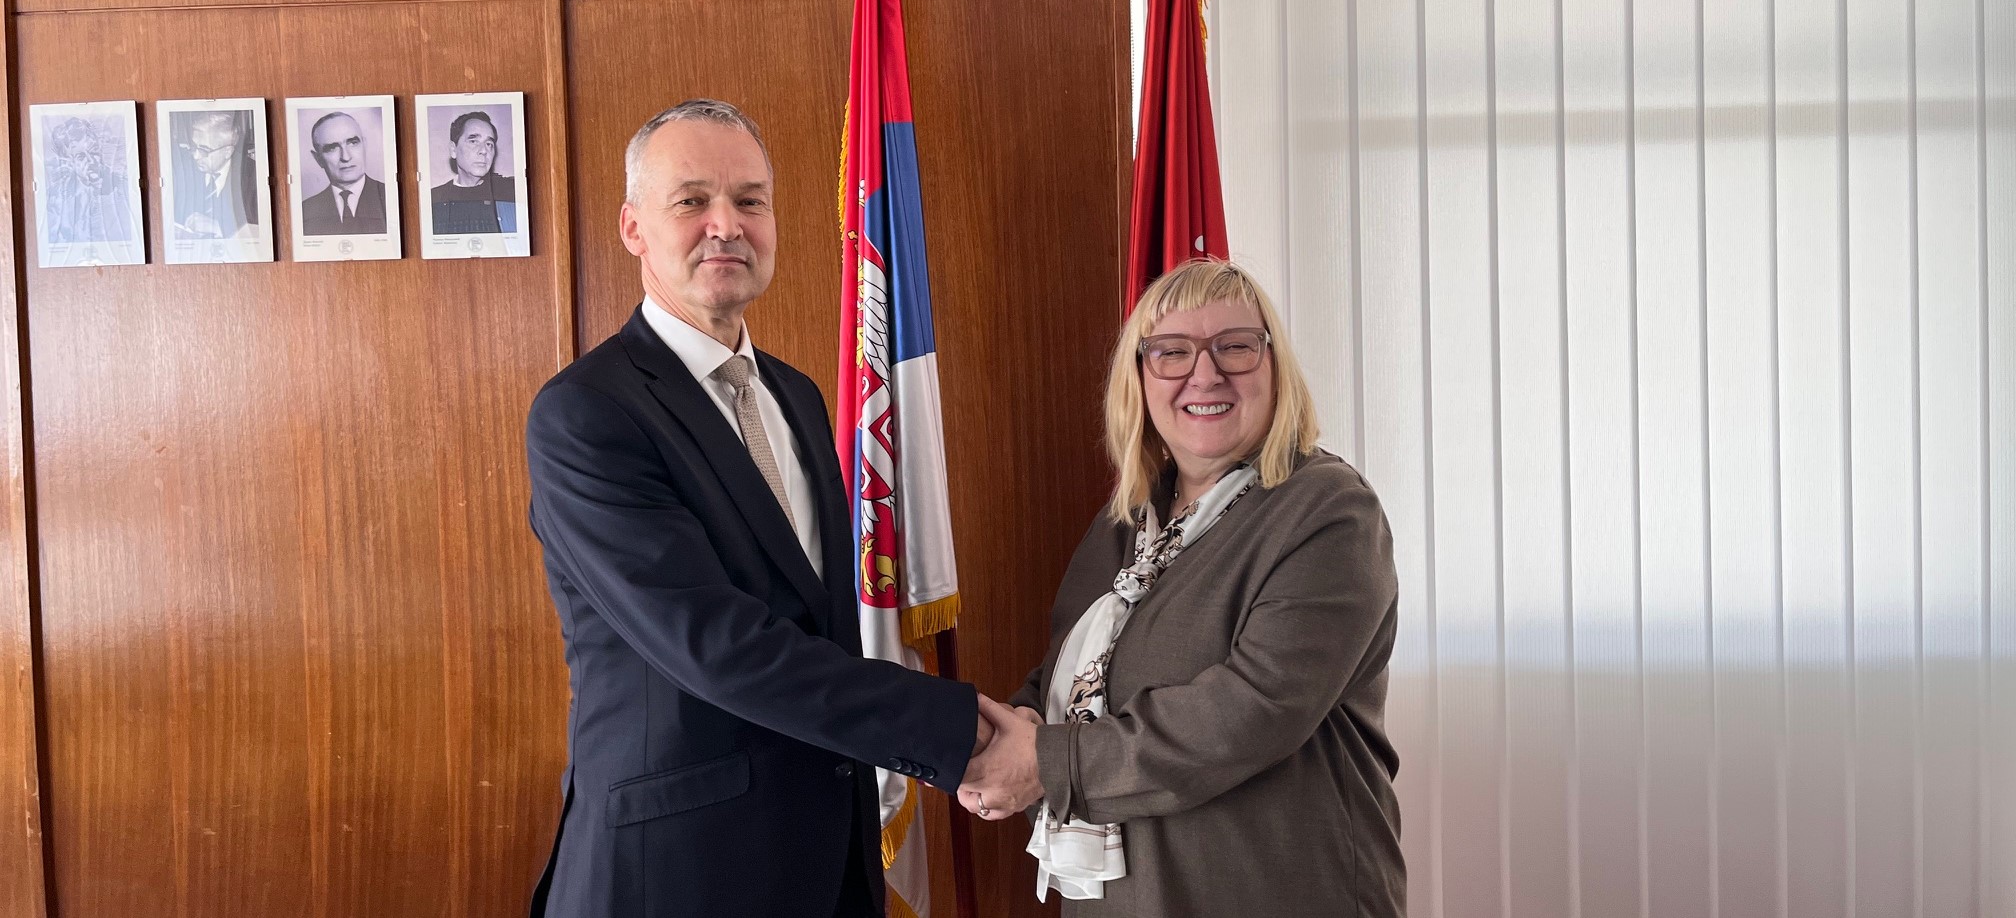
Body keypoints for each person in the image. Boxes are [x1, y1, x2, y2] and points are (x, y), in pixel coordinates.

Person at [524, 99, 1004, 918]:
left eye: (750, 200)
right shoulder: (587, 414)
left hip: (828, 860)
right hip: (674, 875)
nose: (727, 225)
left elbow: (816, 624)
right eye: (692, 201)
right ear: (634, 228)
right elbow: (719, 646)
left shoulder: (798, 396)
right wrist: (963, 735)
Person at [958, 258, 1405, 918]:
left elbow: (1251, 711)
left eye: (1235, 347)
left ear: (1275, 367)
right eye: (1172, 352)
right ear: (1139, 379)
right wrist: (1001, 733)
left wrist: (1046, 764)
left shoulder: (1328, 512)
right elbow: (1070, 680)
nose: (1206, 373)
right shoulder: (1124, 526)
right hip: (1122, 898)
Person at [43, 115, 135, 246]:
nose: (91, 161)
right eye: (81, 156)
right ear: (69, 161)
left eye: (94, 153)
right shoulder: (55, 196)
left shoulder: (121, 185)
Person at [172, 110, 258, 241]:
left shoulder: (253, 177)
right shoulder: (183, 170)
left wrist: (219, 228)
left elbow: (263, 230)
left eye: (204, 150)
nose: (196, 156)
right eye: (194, 147)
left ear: (228, 151)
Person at [429, 109, 517, 235]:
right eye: (473, 141)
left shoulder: (512, 192)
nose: (484, 151)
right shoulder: (433, 199)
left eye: (489, 144)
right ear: (453, 150)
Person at [298, 111, 387, 235]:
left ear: (364, 145)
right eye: (332, 148)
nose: (346, 157)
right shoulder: (305, 211)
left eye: (353, 143)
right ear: (318, 159)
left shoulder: (390, 198)